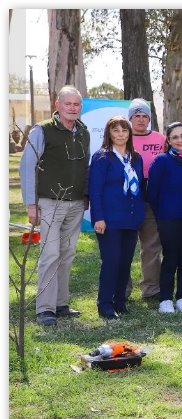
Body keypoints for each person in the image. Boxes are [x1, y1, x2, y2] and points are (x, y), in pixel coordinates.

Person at [20, 85, 90, 326]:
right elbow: (27, 167)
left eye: (76, 104)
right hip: (49, 202)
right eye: (67, 103)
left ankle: (61, 304)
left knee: (67, 254)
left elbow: (85, 167)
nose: (72, 108)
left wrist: (85, 195)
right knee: (50, 254)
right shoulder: (42, 130)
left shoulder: (83, 131)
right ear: (57, 105)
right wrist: (31, 204)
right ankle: (45, 309)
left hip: (76, 203)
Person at [88, 116, 145, 320]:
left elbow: (140, 187)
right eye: (116, 130)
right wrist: (98, 217)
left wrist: (140, 215)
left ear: (130, 133)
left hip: (131, 218)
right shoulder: (102, 157)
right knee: (111, 261)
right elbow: (95, 190)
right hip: (109, 219)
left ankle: (120, 301)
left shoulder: (136, 158)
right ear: (109, 133)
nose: (120, 134)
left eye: (124, 130)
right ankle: (104, 304)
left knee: (125, 262)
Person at [146, 122, 182, 314]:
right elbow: (152, 193)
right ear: (169, 141)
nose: (180, 140)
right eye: (175, 137)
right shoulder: (161, 161)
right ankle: (165, 299)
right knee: (171, 257)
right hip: (169, 219)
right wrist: (162, 214)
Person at [126, 98, 166, 301]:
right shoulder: (123, 137)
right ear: (130, 118)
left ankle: (151, 288)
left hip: (153, 197)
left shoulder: (160, 138)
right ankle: (122, 289)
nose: (141, 120)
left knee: (151, 245)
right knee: (125, 245)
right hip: (127, 198)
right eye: (137, 116)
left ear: (149, 119)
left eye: (144, 116)